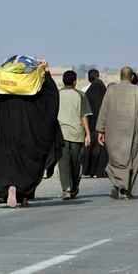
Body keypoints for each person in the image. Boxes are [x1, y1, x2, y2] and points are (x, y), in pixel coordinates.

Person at [0, 60, 63, 207]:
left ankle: (11, 188)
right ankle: (24, 198)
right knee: (26, 167)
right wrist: (46, 72)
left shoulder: (1, 99)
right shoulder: (33, 99)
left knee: (7, 166)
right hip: (27, 139)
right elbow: (51, 96)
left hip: (5, 142)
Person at [96, 67, 138, 199]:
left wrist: (100, 130)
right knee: (133, 160)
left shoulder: (111, 91)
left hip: (112, 133)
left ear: (120, 76)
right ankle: (126, 189)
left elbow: (103, 111)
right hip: (132, 133)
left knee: (115, 160)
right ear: (132, 77)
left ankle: (118, 184)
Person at [57, 70, 92, 200]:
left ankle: (66, 188)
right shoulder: (80, 95)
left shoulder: (57, 95)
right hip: (77, 134)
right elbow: (84, 116)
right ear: (75, 81)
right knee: (76, 163)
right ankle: (74, 188)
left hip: (61, 134)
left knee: (63, 162)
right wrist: (88, 133)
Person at [82, 71, 108, 178]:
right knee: (101, 147)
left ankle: (89, 170)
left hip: (90, 124)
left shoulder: (86, 92)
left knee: (90, 147)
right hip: (102, 124)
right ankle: (100, 170)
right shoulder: (103, 91)